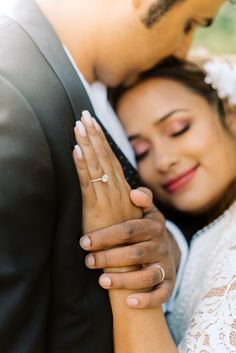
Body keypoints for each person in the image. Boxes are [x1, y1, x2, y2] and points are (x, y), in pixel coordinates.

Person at [0, 0, 225, 352]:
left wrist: (170, 248)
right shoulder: (12, 91)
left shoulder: (128, 88)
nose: (182, 50)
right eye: (187, 25)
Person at [73, 57, 236, 352]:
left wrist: (126, 270)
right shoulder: (195, 237)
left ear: (231, 116)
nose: (163, 161)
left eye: (178, 129)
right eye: (141, 151)